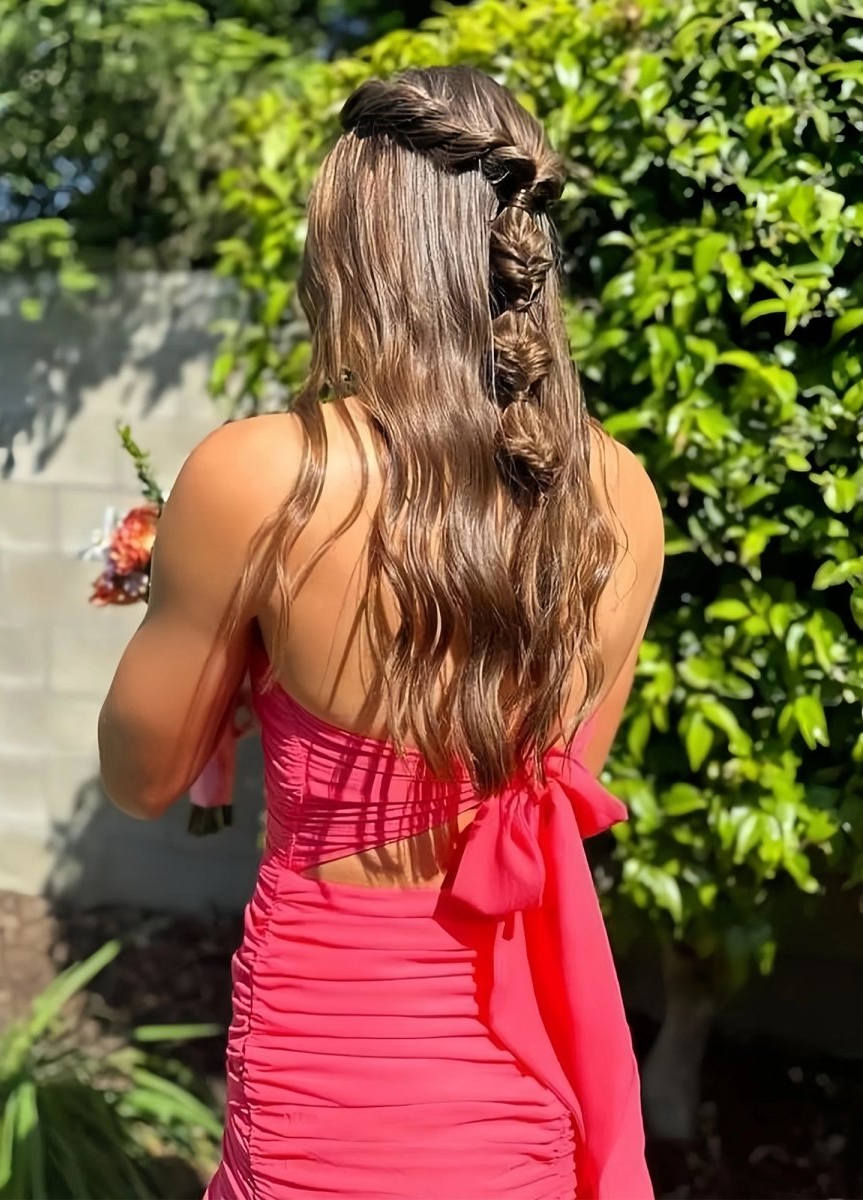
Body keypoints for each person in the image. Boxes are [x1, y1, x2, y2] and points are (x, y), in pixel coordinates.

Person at [98, 65, 663, 1200]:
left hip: (332, 1064)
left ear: (352, 243)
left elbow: (139, 780)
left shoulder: (265, 475)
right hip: (522, 1063)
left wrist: (227, 654)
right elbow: (551, 796)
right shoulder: (625, 497)